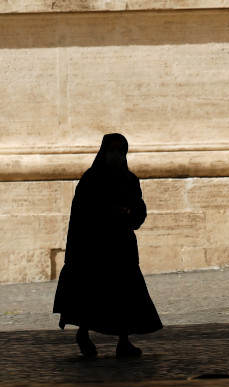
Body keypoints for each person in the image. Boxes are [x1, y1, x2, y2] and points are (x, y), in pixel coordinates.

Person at [53, 133, 163, 357]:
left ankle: (124, 341)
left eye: (120, 150)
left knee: (124, 293)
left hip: (121, 245)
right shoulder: (91, 179)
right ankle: (83, 333)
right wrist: (108, 212)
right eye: (112, 150)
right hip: (94, 245)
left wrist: (131, 213)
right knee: (92, 292)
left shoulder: (129, 180)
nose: (116, 155)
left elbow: (138, 207)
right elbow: (82, 213)